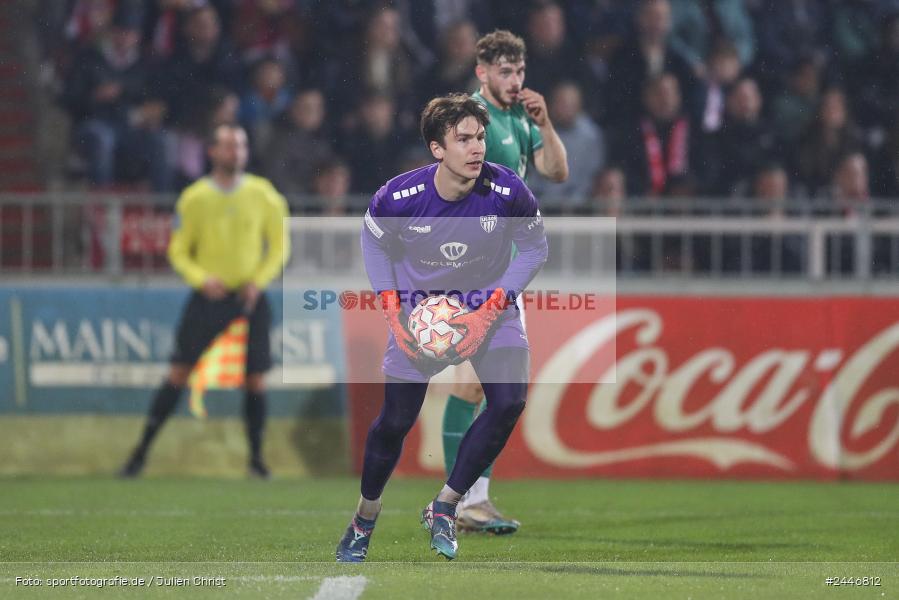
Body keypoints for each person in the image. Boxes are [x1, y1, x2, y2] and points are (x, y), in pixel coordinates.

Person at [335, 94, 548, 562]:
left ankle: (446, 505)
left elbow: (535, 248)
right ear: (437, 149)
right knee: (395, 422)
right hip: (421, 317)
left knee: (509, 400)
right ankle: (364, 517)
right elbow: (373, 242)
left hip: (488, 310)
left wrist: (490, 309)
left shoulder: (507, 190)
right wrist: (393, 311)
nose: (477, 148)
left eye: (480, 137)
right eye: (463, 139)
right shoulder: (399, 197)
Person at [440, 29, 568, 536]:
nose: (515, 81)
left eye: (520, 71)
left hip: (505, 267)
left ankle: (465, 501)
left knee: (481, 389)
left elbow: (556, 171)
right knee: (486, 387)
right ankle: (463, 502)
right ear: (483, 73)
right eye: (505, 72)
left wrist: (546, 122)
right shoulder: (472, 120)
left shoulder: (520, 117)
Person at [119, 123, 290, 479]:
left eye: (240, 145)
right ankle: (139, 454)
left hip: (249, 298)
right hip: (208, 299)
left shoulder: (264, 195)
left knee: (255, 379)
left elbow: (279, 247)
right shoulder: (194, 198)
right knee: (179, 372)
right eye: (228, 145)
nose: (236, 152)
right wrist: (201, 279)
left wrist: (258, 281)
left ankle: (257, 461)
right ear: (212, 151)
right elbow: (178, 250)